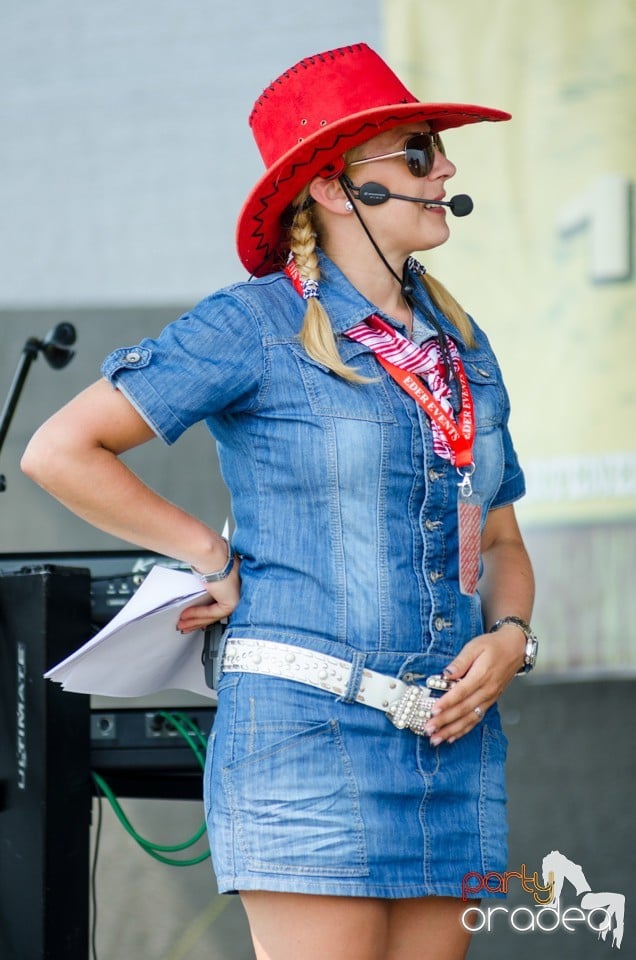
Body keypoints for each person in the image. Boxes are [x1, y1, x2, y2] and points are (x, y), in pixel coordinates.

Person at [22, 42, 536, 960]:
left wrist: (510, 640)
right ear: (338, 189)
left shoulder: (464, 345)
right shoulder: (251, 323)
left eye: (438, 152)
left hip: (451, 739)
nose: (446, 167)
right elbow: (62, 450)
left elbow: (499, 536)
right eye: (418, 152)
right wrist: (211, 557)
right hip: (306, 730)